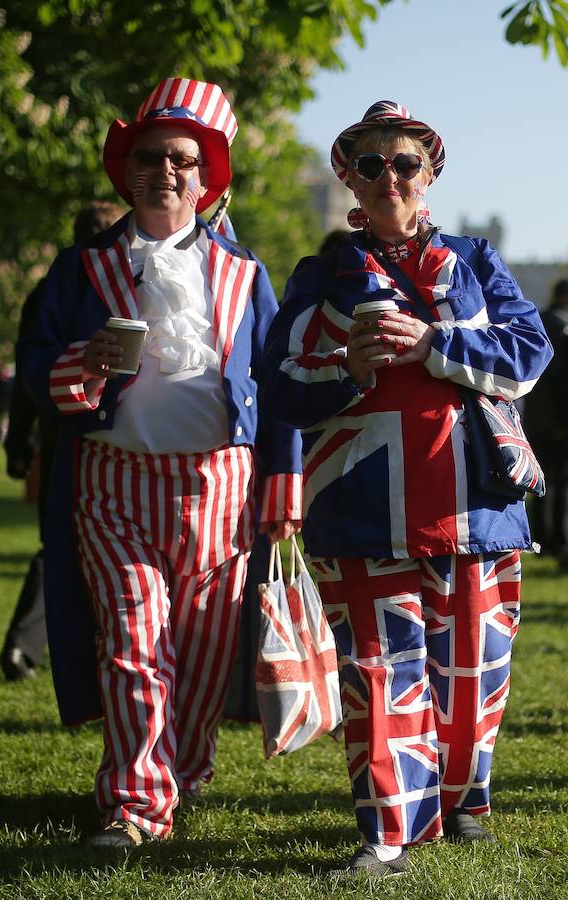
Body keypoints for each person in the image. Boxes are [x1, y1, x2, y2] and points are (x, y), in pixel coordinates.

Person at [261, 100, 552, 879]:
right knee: (381, 674)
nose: (388, 177)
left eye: (404, 164)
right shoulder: (322, 275)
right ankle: (389, 831)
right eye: (370, 164)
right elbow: (280, 382)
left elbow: (529, 352)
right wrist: (349, 368)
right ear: (347, 177)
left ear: (431, 176)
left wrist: (435, 343)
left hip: (476, 506)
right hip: (362, 506)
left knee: (472, 675)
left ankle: (463, 802)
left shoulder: (476, 261)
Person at [21, 76, 302, 848]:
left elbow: (279, 388)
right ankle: (135, 805)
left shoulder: (247, 273)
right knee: (134, 639)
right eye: (150, 157)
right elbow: (35, 361)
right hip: (113, 483)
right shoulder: (81, 269)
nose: (165, 172)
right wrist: (83, 360)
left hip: (222, 487)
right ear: (127, 170)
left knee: (208, 653)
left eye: (183, 159)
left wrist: (285, 477)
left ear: (207, 179)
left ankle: (182, 766)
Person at [1, 202, 124, 681]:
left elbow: (26, 366)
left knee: (60, 540)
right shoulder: (92, 283)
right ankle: (30, 645)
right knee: (71, 542)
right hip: (92, 434)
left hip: (55, 430)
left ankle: (30, 645)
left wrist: (17, 437)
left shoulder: (46, 289)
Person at [523, 278, 568, 561]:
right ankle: (557, 542)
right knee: (560, 483)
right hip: (558, 420)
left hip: (535, 417)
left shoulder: (536, 323)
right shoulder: (562, 330)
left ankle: (540, 537)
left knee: (540, 483)